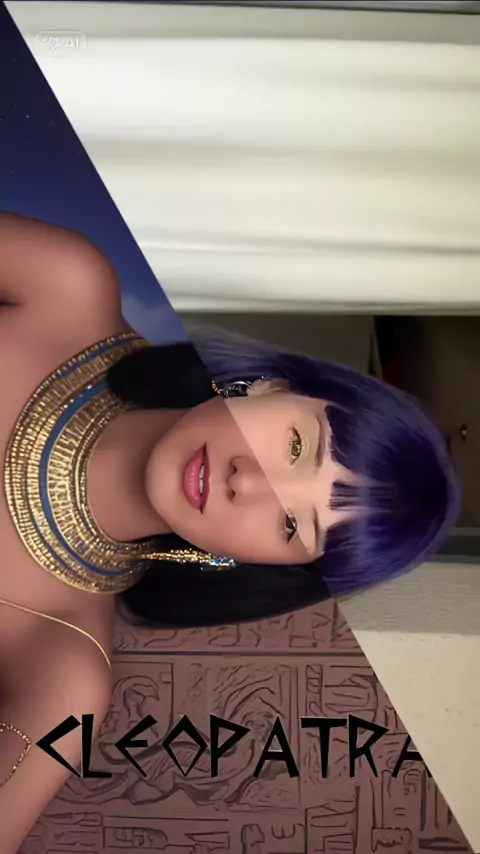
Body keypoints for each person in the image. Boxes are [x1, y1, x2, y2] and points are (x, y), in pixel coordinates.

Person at [0, 212, 459, 851]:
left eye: (292, 525)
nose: (248, 484)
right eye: (297, 446)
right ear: (272, 386)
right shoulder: (64, 283)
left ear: (262, 564)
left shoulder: (62, 676)